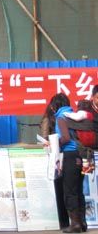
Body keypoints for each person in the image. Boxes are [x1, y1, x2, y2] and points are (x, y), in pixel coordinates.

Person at [52, 93, 86, 233]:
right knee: (78, 190)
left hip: (69, 156)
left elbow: (65, 138)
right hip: (80, 155)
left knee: (70, 191)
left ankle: (75, 224)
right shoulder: (74, 115)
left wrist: (54, 144)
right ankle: (82, 223)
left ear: (55, 106)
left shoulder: (61, 117)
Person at [41, 94, 69, 229]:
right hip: (64, 155)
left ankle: (64, 222)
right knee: (67, 189)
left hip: (58, 156)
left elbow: (46, 138)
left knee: (61, 189)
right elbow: (45, 137)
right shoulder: (67, 115)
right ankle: (67, 221)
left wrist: (53, 142)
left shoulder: (59, 117)